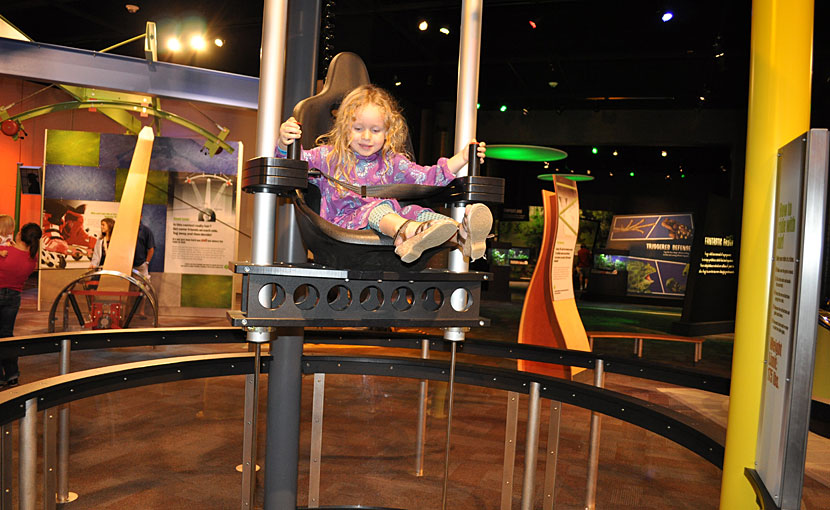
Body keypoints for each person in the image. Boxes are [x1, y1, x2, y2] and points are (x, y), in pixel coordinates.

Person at [278, 84, 492, 263]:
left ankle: (460, 234)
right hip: (341, 226)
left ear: (388, 132)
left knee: (415, 211)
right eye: (358, 128)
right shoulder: (328, 157)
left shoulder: (392, 162)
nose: (367, 137)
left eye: (375, 130)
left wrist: (463, 157)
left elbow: (427, 177)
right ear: (344, 128)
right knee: (379, 207)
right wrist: (283, 142)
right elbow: (292, 164)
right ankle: (407, 233)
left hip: (388, 221)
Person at [0, 222, 42, 388]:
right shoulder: (32, 258)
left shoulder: (6, 252)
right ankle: (12, 374)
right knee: (6, 334)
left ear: (19, 235)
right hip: (14, 296)